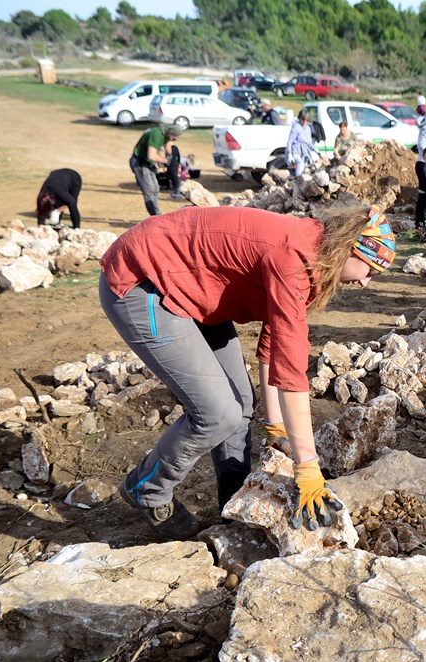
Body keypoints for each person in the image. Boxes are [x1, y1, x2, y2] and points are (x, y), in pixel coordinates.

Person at [100, 205, 396, 539]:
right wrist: (307, 468)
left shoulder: (318, 258)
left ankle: (234, 508)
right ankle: (148, 487)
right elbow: (291, 372)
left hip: (194, 288)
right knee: (217, 413)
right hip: (145, 280)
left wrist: (277, 427)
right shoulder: (294, 259)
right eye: (369, 268)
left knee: (240, 404)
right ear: (348, 248)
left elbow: (274, 341)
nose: (367, 281)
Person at [130, 124, 182, 216]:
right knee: (149, 189)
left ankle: (156, 213)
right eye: (174, 138)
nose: (174, 141)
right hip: (140, 163)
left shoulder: (165, 134)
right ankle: (155, 215)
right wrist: (166, 161)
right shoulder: (156, 135)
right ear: (169, 133)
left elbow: (167, 146)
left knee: (156, 188)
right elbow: (151, 155)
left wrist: (171, 158)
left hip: (148, 163)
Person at [287, 110, 319, 177]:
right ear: (299, 118)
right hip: (295, 153)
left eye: (307, 120)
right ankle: (298, 179)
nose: (305, 121)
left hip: (304, 153)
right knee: (300, 164)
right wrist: (289, 154)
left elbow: (308, 142)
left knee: (306, 167)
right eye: (303, 119)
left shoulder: (308, 128)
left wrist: (315, 149)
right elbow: (289, 142)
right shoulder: (296, 127)